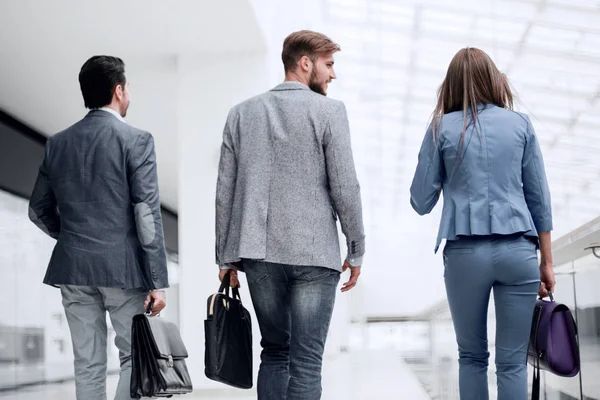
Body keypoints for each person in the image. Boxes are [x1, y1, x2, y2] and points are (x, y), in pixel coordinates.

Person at [215, 30, 365, 400]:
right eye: (329, 65)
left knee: (275, 352)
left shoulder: (240, 114)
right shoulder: (330, 112)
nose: (333, 75)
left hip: (260, 254)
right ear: (305, 63)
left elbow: (225, 193)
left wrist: (224, 258)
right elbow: (345, 187)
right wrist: (356, 248)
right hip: (315, 255)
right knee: (307, 361)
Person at [410, 47, 555, 400]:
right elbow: (540, 200)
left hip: (465, 255)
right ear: (494, 79)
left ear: (451, 85)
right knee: (512, 363)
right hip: (519, 252)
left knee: (472, 356)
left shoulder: (440, 128)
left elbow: (420, 201)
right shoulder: (520, 124)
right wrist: (547, 262)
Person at [29, 55, 168, 400]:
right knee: (135, 358)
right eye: (128, 88)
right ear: (118, 90)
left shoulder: (57, 143)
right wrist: (158, 282)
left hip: (73, 269)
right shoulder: (136, 140)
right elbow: (146, 215)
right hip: (122, 269)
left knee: (87, 364)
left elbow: (38, 210)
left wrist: (73, 236)